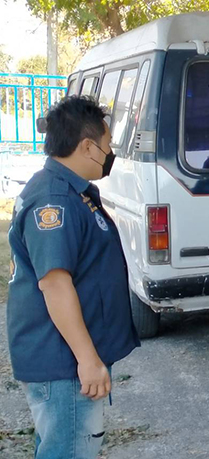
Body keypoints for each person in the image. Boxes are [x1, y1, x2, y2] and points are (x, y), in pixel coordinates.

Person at [6, 96, 139, 459]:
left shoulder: (70, 191)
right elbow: (54, 283)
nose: (110, 153)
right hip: (64, 363)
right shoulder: (56, 200)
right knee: (69, 449)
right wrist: (88, 360)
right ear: (87, 147)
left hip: (68, 358)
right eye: (107, 145)